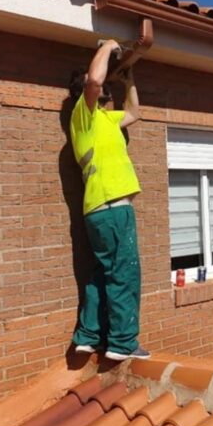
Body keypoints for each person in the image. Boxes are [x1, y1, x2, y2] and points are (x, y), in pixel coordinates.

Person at [68, 39, 149, 360]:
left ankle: (88, 337)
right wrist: (110, 46)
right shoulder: (82, 116)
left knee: (102, 274)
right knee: (125, 273)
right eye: (104, 91)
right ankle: (123, 343)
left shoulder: (106, 120)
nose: (107, 92)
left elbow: (134, 113)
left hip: (98, 211)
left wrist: (129, 82)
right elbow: (95, 81)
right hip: (114, 208)